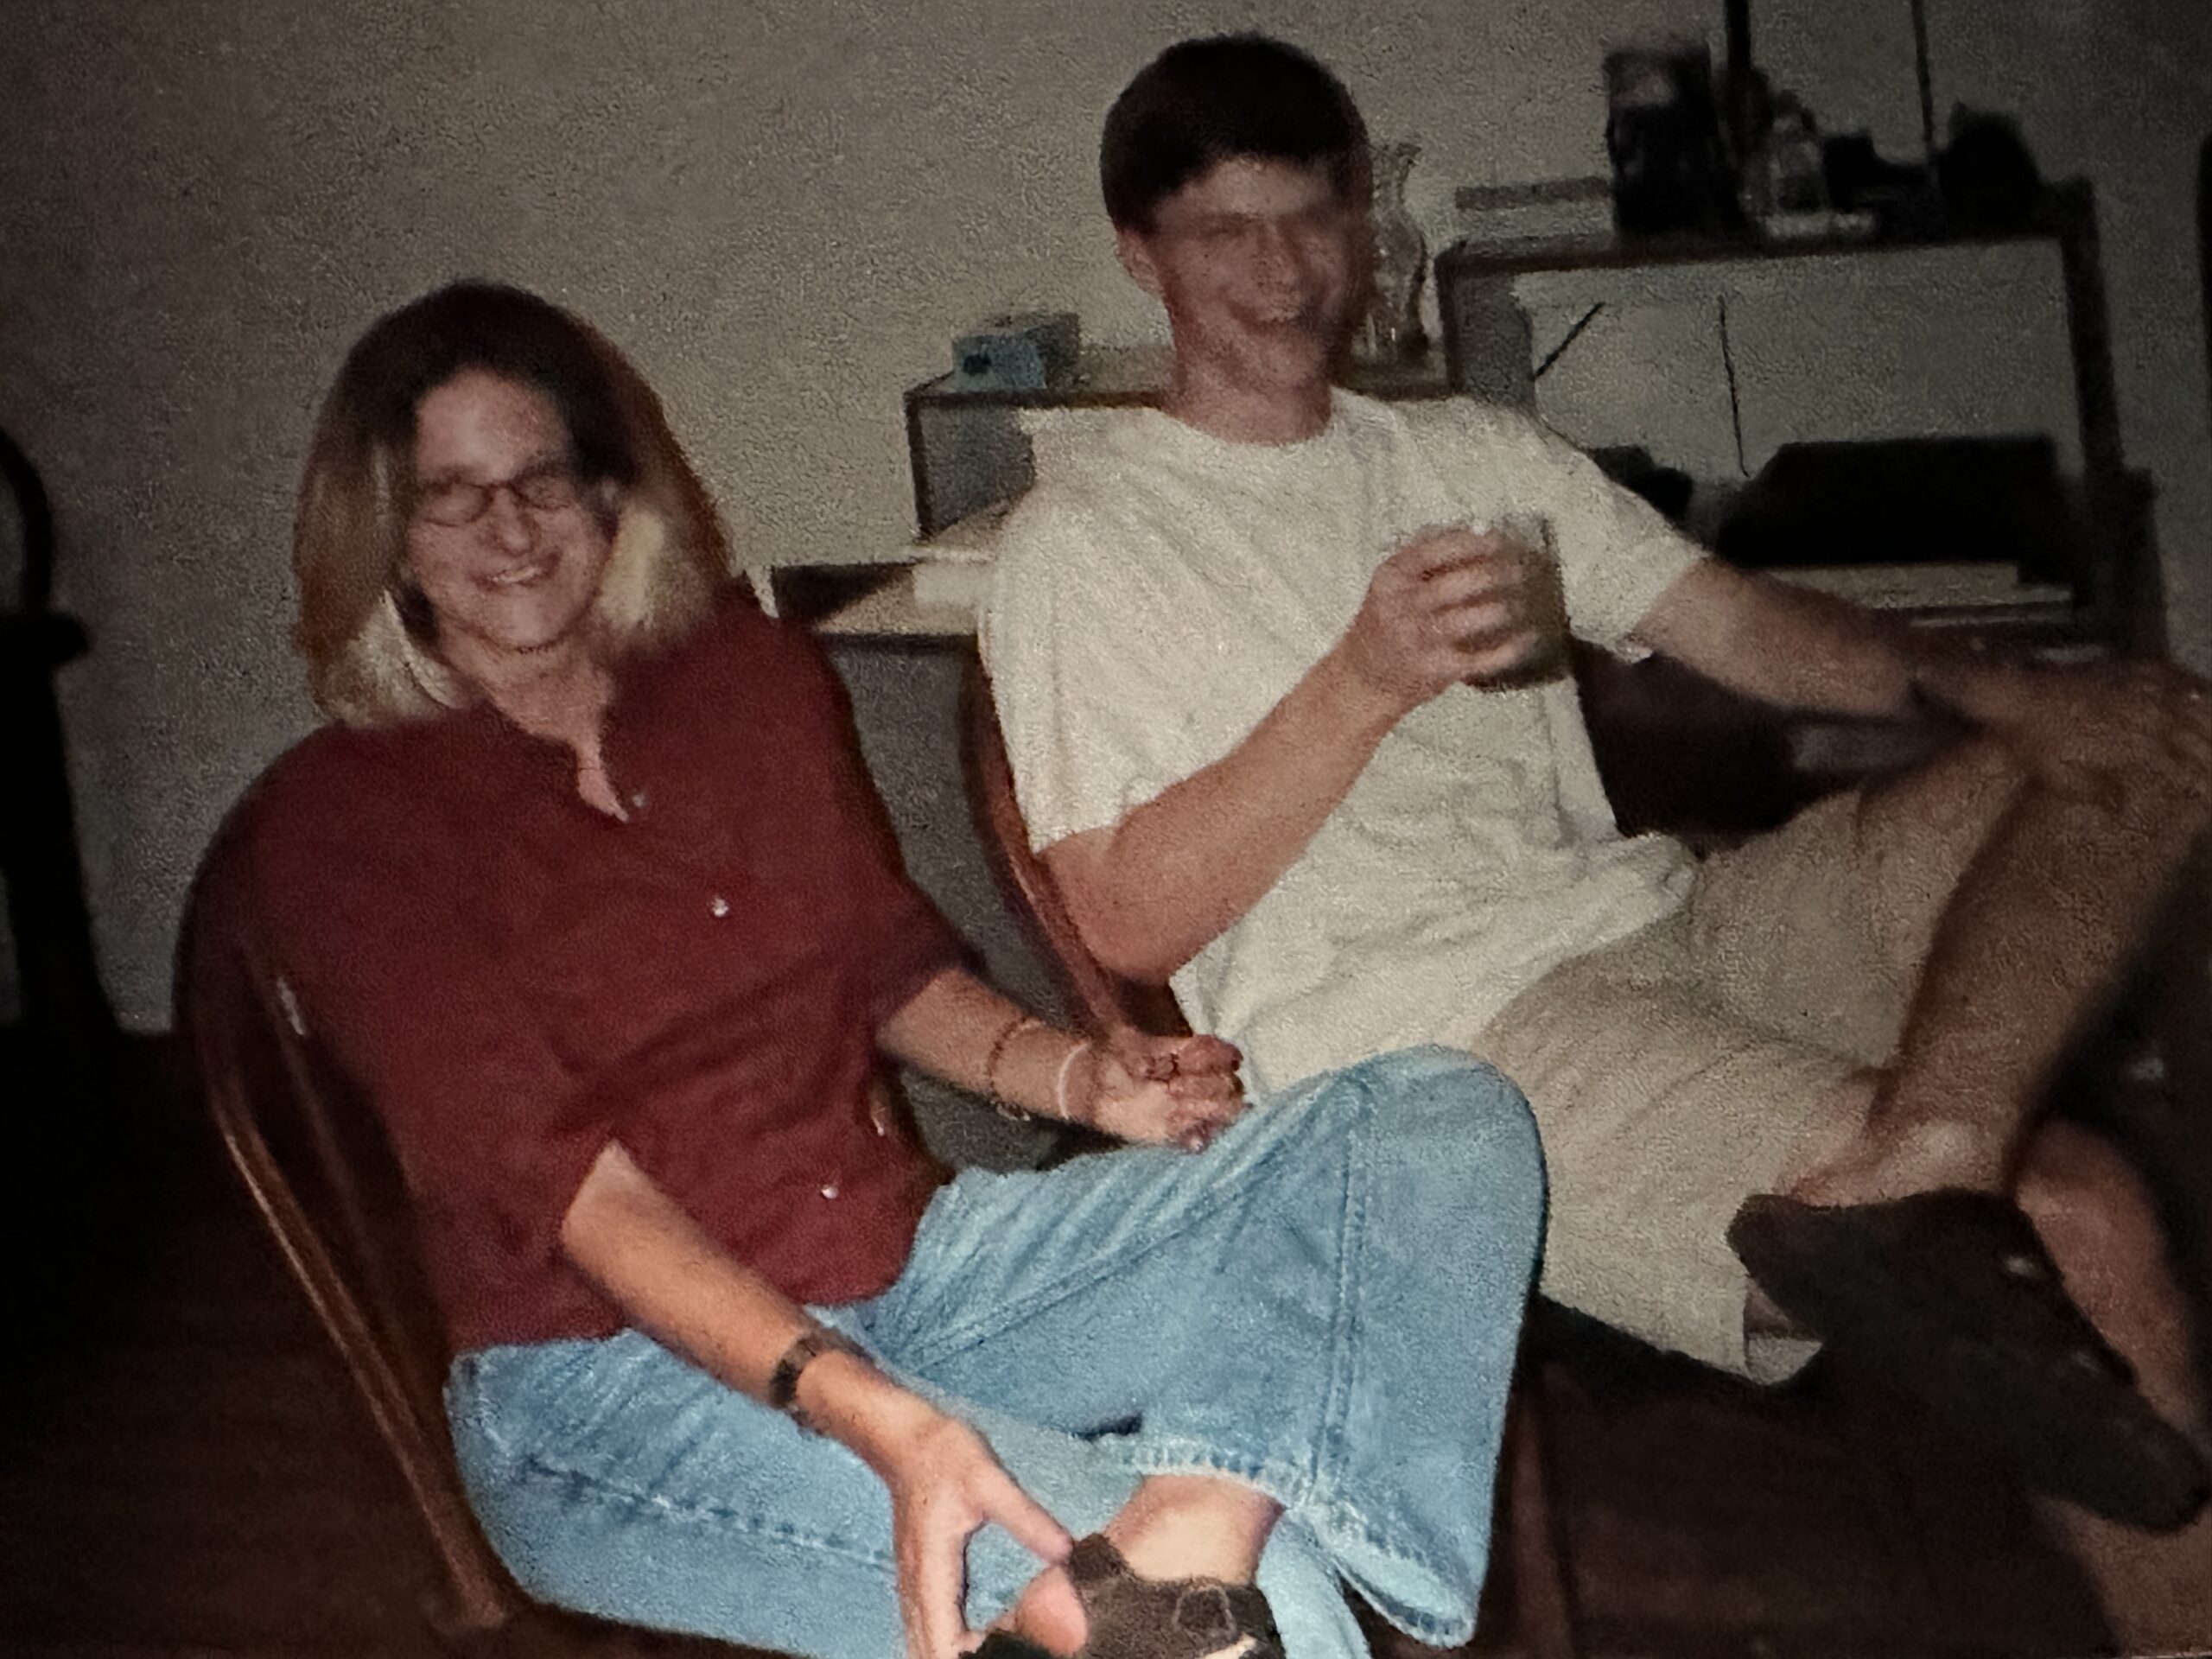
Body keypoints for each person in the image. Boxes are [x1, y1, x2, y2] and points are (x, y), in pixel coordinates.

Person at [982, 33, 2212, 1649]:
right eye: (1227, 231)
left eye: (1315, 219)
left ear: (1361, 226)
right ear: (1143, 253)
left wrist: (2009, 690)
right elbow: (1129, 921)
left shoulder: (1466, 456)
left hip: (1667, 924)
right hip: (1452, 1046)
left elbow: (1753, 634)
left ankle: (1924, 1163)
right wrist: (1363, 679)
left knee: (2144, 735)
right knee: (2083, 1215)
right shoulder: (1086, 540)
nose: (1284, 272)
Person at [241, 280, 1547, 1659]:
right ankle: (1201, 1560)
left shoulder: (745, 678)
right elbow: (579, 1198)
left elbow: (878, 962)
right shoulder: (344, 827)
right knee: (1245, 1623)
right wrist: (874, 1413)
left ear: (614, 494)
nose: (509, 531)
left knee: (1439, 1123)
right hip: (611, 1382)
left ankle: (1206, 1509)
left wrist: (1080, 1078)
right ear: (384, 531)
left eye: (544, 479)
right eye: (452, 496)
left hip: (904, 1270)